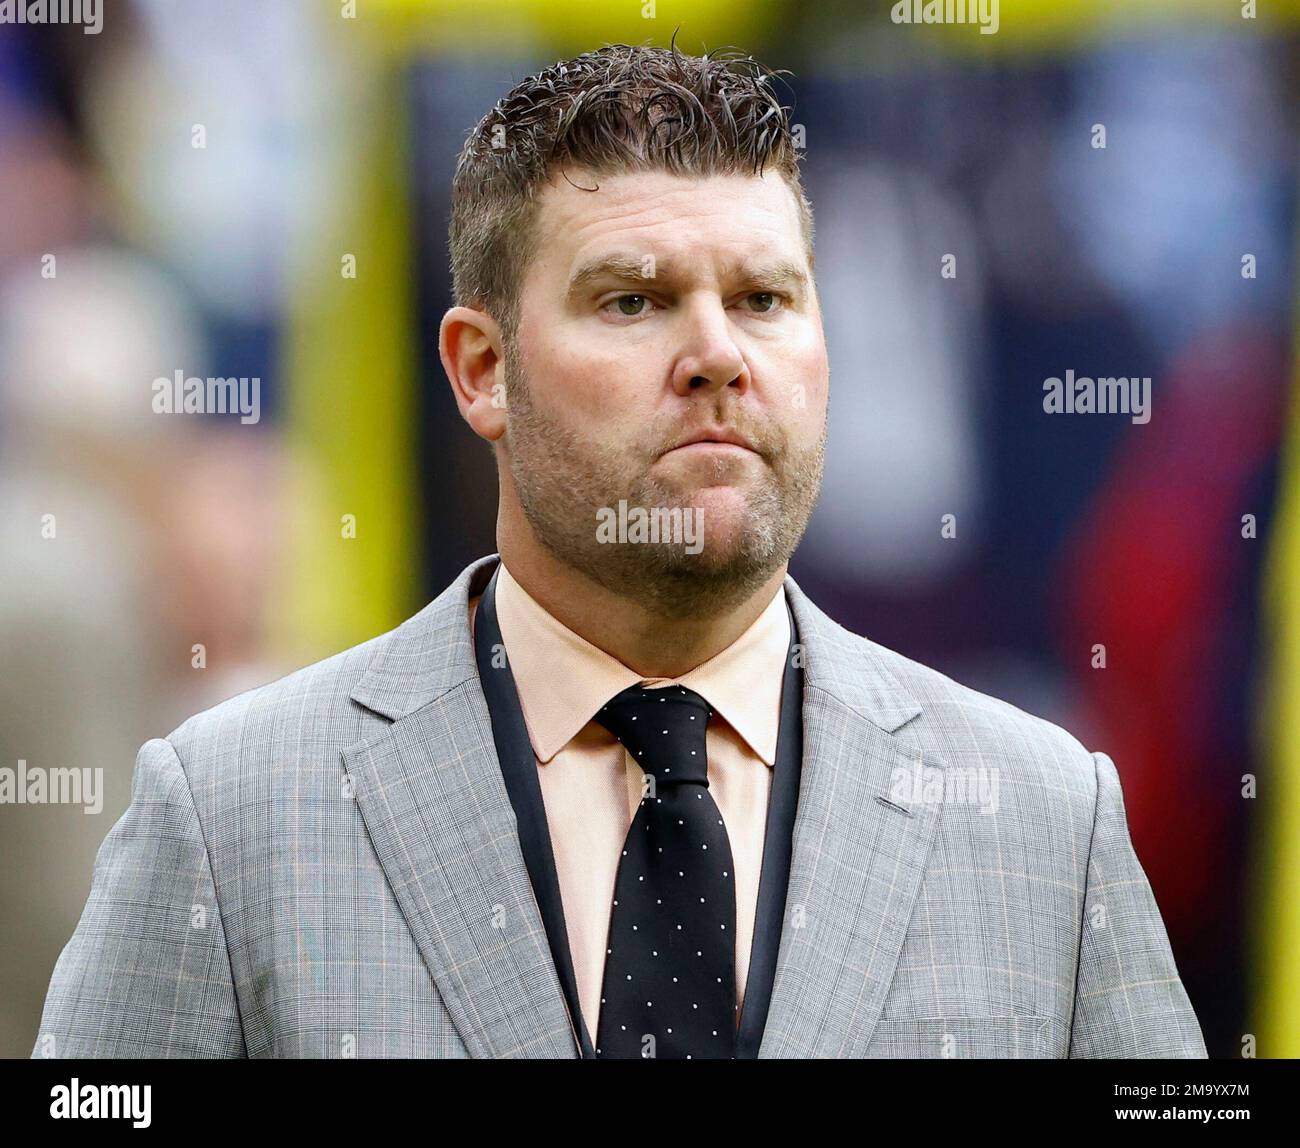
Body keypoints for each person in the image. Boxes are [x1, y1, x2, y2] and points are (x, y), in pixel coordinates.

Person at [31, 43, 1206, 1059]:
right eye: (632, 300)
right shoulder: (231, 816)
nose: (717, 354)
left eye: (763, 297)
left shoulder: (1044, 816)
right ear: (480, 369)